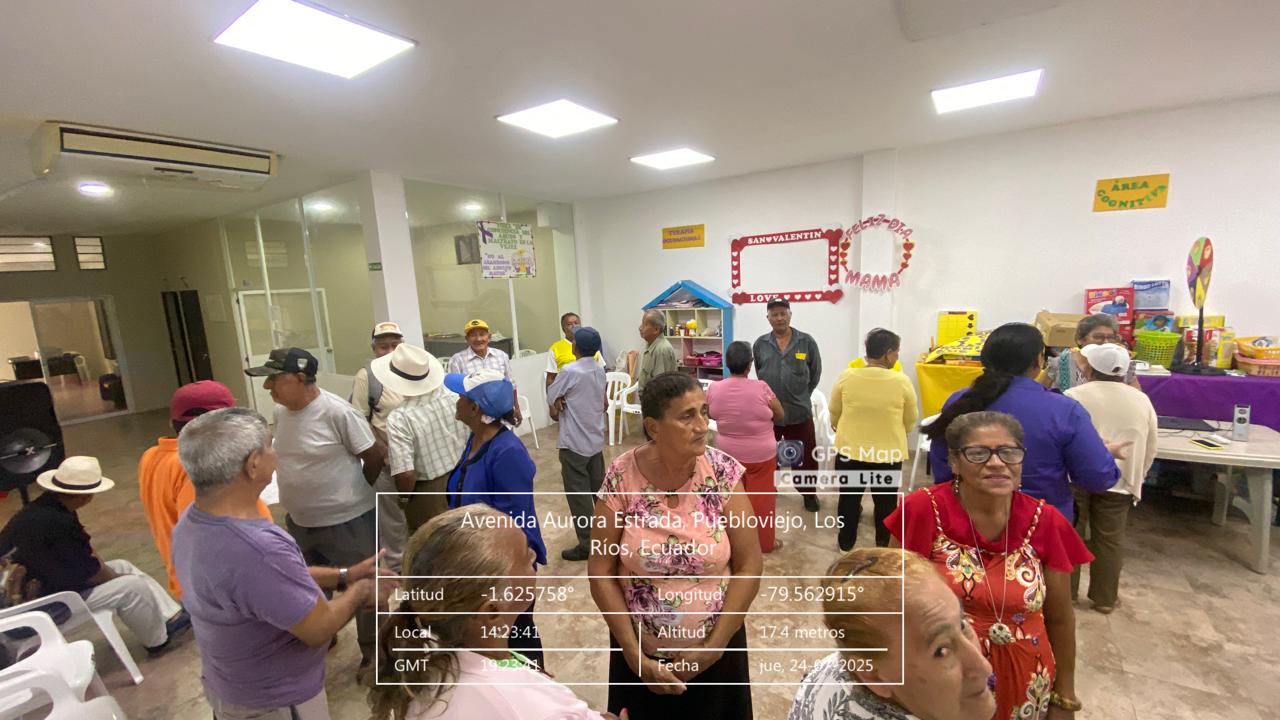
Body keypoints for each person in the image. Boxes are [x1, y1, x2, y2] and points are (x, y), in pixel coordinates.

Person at [174, 408, 392, 720]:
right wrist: (361, 591)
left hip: (231, 685)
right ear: (253, 464)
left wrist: (344, 575)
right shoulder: (258, 549)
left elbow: (265, 583)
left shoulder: (194, 521)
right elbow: (317, 628)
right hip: (274, 701)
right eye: (269, 446)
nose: (275, 454)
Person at [889, 411, 1092, 720]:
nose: (997, 463)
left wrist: (1064, 697)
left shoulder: (1046, 521)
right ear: (954, 462)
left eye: (1009, 452)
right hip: (945, 680)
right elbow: (893, 603)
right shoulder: (923, 510)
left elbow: (1060, 618)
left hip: (1028, 681)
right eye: (978, 453)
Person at [590, 371, 763, 717]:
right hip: (640, 658)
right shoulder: (621, 476)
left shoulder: (723, 474)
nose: (702, 426)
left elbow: (750, 564)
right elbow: (600, 570)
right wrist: (633, 655)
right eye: (687, 416)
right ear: (653, 428)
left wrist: (714, 647)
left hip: (716, 655)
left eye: (704, 412)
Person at [370, 505, 618, 720]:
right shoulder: (536, 708)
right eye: (525, 558)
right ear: (492, 611)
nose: (534, 555)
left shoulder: (424, 657)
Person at [245, 346, 385, 682]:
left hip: (348, 522)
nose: (267, 386)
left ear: (300, 377)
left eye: (274, 378)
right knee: (307, 586)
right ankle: (324, 633)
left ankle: (376, 652)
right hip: (300, 522)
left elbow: (375, 455)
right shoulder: (281, 414)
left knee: (365, 587)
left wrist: (351, 493)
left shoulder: (337, 413)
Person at [925, 323, 1121, 522]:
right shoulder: (1063, 410)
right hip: (1040, 523)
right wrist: (1100, 453)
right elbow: (1097, 477)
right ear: (1039, 360)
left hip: (968, 518)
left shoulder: (959, 401)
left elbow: (943, 468)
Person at [0, 456, 190, 655]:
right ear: (85, 496)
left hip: (25, 594)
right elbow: (92, 574)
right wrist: (117, 578)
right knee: (131, 586)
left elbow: (86, 554)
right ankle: (158, 640)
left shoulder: (42, 508)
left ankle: (171, 616)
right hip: (36, 608)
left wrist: (111, 573)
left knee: (121, 566)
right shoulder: (59, 523)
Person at [788, 547, 995, 720]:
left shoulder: (838, 662)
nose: (984, 667)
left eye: (962, 624)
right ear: (873, 676)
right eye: (941, 651)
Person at [445, 368, 546, 669]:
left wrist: (505, 578)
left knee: (516, 638)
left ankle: (533, 686)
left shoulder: (507, 452)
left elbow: (516, 522)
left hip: (504, 569)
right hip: (480, 562)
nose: (456, 401)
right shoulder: (476, 439)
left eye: (461, 397)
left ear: (475, 409)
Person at [138, 380, 271, 600]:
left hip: (195, 582)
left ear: (172, 423)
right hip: (223, 590)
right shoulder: (197, 468)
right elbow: (211, 537)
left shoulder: (152, 455)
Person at [1065, 343, 1158, 614]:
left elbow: (1063, 437)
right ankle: (1105, 599)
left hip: (1076, 477)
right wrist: (1137, 476)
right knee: (1110, 540)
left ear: (1089, 368)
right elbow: (1151, 444)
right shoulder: (1141, 400)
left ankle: (1067, 596)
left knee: (1070, 535)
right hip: (1121, 479)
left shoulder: (1073, 395)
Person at [828, 328, 918, 550]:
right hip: (887, 454)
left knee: (849, 500)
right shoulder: (902, 381)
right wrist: (899, 431)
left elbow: (834, 410)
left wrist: (840, 426)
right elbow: (910, 419)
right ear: (888, 353)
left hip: (850, 451)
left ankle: (845, 544)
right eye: (896, 352)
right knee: (886, 502)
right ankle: (882, 545)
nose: (897, 356)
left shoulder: (847, 376)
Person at [377, 343, 468, 536]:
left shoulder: (400, 418)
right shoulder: (455, 398)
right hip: (464, 478)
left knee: (432, 543)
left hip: (429, 493)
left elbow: (406, 474)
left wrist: (403, 499)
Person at [706, 340, 786, 552]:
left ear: (726, 363)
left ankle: (732, 544)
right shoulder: (762, 388)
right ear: (750, 364)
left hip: (726, 456)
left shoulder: (714, 388)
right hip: (762, 456)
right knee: (762, 500)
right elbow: (780, 414)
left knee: (730, 501)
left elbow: (710, 413)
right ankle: (765, 543)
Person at [753, 297, 824, 512]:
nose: (779, 318)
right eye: (774, 314)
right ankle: (770, 490)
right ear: (768, 318)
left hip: (799, 413)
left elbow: (815, 373)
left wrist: (801, 395)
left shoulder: (806, 342)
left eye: (783, 313)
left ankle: (808, 494)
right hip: (770, 415)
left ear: (790, 315)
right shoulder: (760, 344)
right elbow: (760, 374)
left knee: (804, 458)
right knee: (769, 456)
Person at [349, 321, 409, 569]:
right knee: (392, 520)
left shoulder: (413, 369)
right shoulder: (367, 377)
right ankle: (398, 568)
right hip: (388, 461)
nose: (390, 351)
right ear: (374, 349)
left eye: (395, 345)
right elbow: (359, 419)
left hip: (419, 460)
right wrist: (380, 451)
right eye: (383, 347)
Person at [547, 326, 608, 561]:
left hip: (574, 442)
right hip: (595, 440)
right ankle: (608, 535)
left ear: (575, 347)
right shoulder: (599, 369)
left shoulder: (570, 371)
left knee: (579, 496)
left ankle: (587, 544)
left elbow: (552, 395)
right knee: (599, 492)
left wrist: (560, 398)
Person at [447, 319, 522, 426]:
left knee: (504, 436)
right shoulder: (457, 360)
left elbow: (511, 384)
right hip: (473, 417)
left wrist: (516, 407)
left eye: (482, 334)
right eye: (473, 335)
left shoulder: (501, 356)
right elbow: (453, 393)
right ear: (467, 339)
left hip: (501, 414)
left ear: (489, 337)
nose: (478, 339)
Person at [1041, 314, 1141, 391]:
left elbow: (1137, 398)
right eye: (1098, 337)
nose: (1106, 342)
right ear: (1080, 339)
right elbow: (1040, 394)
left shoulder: (1122, 364)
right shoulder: (1060, 363)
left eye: (1111, 337)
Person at [545, 311, 604, 386]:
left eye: (576, 323)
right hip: (567, 389)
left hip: (591, 387)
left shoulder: (589, 343)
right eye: (569, 324)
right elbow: (550, 378)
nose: (574, 326)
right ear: (563, 328)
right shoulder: (555, 348)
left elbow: (601, 369)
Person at [635, 309, 678, 394]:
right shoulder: (651, 345)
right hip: (648, 398)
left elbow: (660, 386)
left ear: (656, 330)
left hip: (657, 400)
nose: (640, 328)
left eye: (645, 324)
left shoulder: (661, 349)